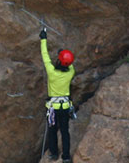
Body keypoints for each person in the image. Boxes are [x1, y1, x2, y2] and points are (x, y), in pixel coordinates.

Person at [40, 27, 75, 162]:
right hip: (65, 107)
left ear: (59, 61)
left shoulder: (52, 73)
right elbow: (70, 64)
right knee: (65, 132)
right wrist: (63, 54)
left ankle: (54, 153)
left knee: (52, 130)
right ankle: (66, 157)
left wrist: (43, 39)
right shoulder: (70, 73)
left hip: (52, 108)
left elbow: (45, 57)